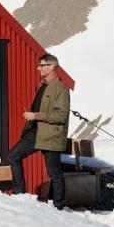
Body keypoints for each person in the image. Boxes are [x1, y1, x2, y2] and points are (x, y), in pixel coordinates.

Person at [8, 54, 70, 209]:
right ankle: (20, 195)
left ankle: (59, 207)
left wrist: (35, 115)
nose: (39, 68)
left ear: (52, 66)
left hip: (51, 135)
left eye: (42, 65)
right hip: (35, 132)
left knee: (54, 173)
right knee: (13, 156)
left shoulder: (60, 88)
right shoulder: (42, 85)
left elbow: (61, 116)